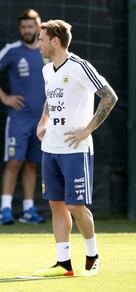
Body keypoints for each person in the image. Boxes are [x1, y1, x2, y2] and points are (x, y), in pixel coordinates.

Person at [33, 19, 118, 277]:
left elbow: (109, 96)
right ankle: (63, 263)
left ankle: (93, 255)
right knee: (56, 205)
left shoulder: (80, 66)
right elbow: (51, 98)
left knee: (76, 206)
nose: (39, 44)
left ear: (55, 41)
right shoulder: (48, 70)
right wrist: (42, 122)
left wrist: (87, 129)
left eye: (42, 39)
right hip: (51, 147)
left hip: (75, 149)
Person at [0, 9, 45, 225]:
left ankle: (29, 210)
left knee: (32, 164)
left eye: (31, 26)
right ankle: (5, 210)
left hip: (42, 120)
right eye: (24, 27)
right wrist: (4, 97)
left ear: (39, 28)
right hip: (19, 118)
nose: (27, 30)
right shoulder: (12, 50)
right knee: (14, 162)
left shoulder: (47, 50)